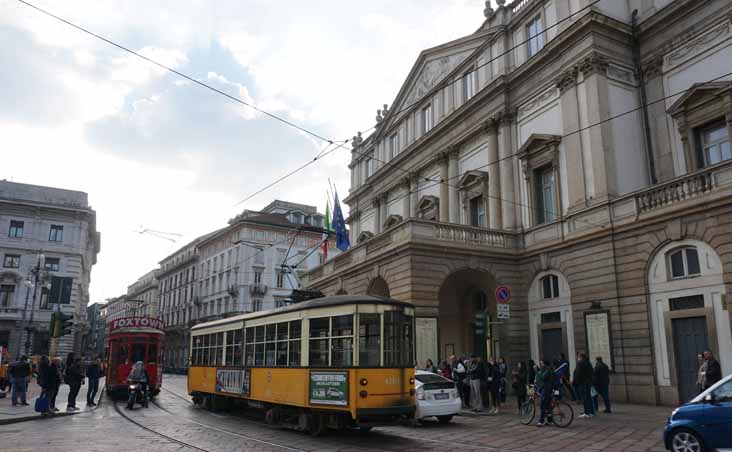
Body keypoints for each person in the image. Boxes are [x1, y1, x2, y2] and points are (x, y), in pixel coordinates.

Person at [573, 353, 595, 418]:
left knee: (585, 398)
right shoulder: (588, 363)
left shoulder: (580, 363)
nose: (577, 358)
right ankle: (591, 412)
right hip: (588, 382)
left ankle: (586, 412)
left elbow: (577, 373)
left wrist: (575, 382)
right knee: (588, 397)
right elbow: (591, 373)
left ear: (581, 357)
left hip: (582, 383)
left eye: (578, 357)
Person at [535, 359, 555, 426]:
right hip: (548, 388)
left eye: (542, 363)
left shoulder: (547, 369)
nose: (541, 365)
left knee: (543, 405)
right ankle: (550, 420)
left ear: (545, 364)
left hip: (547, 389)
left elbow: (542, 377)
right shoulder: (548, 369)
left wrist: (536, 371)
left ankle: (541, 421)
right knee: (548, 406)